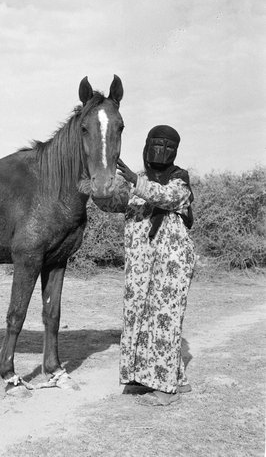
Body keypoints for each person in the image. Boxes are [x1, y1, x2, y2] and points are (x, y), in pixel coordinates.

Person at [92, 125, 196, 406]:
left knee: (165, 318)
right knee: (137, 315)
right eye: (156, 144)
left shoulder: (179, 181)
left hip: (170, 261)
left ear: (175, 151)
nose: (160, 152)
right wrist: (96, 184)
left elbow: (166, 197)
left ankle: (165, 387)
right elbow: (112, 203)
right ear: (146, 145)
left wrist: (133, 180)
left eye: (167, 146)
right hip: (140, 263)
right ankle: (148, 378)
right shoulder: (136, 183)